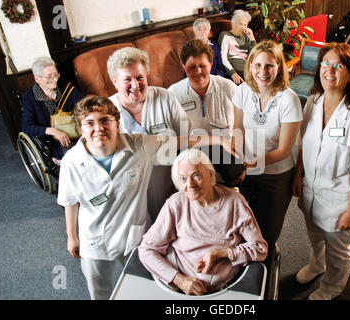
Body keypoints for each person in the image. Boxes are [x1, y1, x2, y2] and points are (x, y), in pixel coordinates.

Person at [57, 95, 235, 300]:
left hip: (133, 235)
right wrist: (72, 236)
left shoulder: (139, 145)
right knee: (99, 292)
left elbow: (179, 142)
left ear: (117, 123)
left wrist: (218, 139)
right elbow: (70, 201)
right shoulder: (71, 161)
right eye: (89, 123)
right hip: (95, 241)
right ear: (81, 129)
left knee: (144, 288)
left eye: (105, 120)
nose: (98, 128)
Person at [291, 42, 350, 300]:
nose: (329, 70)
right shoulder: (314, 102)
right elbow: (302, 142)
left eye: (338, 66)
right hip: (312, 191)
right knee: (315, 236)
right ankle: (317, 265)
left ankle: (331, 287)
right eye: (325, 64)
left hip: (340, 201)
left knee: (338, 250)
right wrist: (298, 174)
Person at [138, 148, 267, 295]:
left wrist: (222, 254)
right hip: (181, 289)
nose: (190, 185)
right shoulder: (175, 204)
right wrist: (180, 280)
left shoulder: (235, 202)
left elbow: (260, 248)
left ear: (210, 175)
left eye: (196, 175)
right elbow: (146, 250)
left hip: (228, 288)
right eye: (183, 179)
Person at [231, 40, 302, 259]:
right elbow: (237, 130)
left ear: (279, 67)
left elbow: (283, 150)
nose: (263, 72)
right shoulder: (242, 91)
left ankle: (268, 268)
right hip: (247, 172)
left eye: (270, 66)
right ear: (250, 65)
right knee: (247, 225)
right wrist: (234, 160)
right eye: (258, 65)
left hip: (276, 175)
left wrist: (246, 164)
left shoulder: (289, 100)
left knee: (268, 232)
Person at [107, 46, 190, 221]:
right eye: (127, 79)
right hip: (131, 193)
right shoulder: (106, 111)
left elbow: (186, 139)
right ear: (114, 82)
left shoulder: (165, 98)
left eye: (140, 77)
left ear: (147, 76)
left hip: (169, 184)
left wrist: (184, 180)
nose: (135, 85)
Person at [169, 39, 243, 185]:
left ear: (211, 64)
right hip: (190, 154)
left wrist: (240, 158)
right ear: (183, 66)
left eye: (203, 66)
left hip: (226, 152)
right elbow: (170, 139)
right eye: (192, 67)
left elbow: (241, 126)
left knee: (236, 171)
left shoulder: (228, 87)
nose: (198, 71)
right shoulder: (173, 94)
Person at [21, 56, 84, 161]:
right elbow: (27, 127)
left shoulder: (65, 86)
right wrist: (52, 131)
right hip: (54, 140)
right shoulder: (30, 97)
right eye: (49, 76)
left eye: (56, 75)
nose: (55, 79)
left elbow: (83, 103)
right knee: (76, 158)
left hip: (75, 130)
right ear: (37, 79)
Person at [218, 9, 256, 85]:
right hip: (238, 69)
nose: (243, 27)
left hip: (249, 67)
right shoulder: (225, 35)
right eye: (240, 24)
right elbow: (224, 58)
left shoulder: (247, 36)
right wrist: (233, 73)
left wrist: (252, 38)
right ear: (233, 24)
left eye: (245, 25)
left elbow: (255, 54)